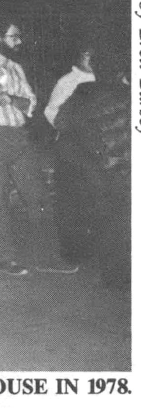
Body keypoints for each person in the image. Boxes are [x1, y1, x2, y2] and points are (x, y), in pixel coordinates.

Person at [0, 17, 62, 276]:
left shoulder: (17, 69)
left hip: (19, 136)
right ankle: (5, 259)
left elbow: (30, 104)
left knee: (38, 196)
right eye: (13, 37)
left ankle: (47, 257)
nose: (19, 41)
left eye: (18, 37)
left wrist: (11, 98)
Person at [53, 48, 128, 282]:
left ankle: (84, 258)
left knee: (93, 212)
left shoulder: (84, 91)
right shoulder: (128, 93)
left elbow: (60, 120)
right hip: (124, 164)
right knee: (119, 218)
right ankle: (118, 272)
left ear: (95, 68)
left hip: (94, 164)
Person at [44, 44, 96, 127]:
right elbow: (51, 111)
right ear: (79, 56)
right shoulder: (67, 81)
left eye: (94, 55)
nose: (91, 58)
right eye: (87, 54)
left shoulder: (108, 78)